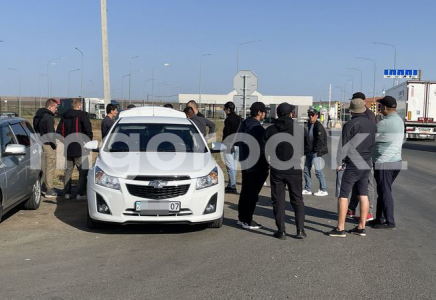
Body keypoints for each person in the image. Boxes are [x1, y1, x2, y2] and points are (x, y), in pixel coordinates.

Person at [328, 98, 376, 237]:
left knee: (343, 195)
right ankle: (361, 227)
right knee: (363, 194)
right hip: (366, 162)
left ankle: (340, 228)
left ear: (352, 111)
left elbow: (343, 145)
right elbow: (374, 144)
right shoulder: (372, 125)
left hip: (353, 164)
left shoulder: (350, 124)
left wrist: (339, 162)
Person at [263, 103, 306, 240]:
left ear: (277, 113)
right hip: (294, 168)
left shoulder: (270, 130)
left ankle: (281, 231)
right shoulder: (299, 129)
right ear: (291, 114)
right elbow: (309, 146)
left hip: (277, 169)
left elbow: (264, 149)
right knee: (297, 199)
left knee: (278, 200)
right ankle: (300, 230)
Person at [369, 96, 404, 229]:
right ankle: (380, 218)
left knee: (384, 192)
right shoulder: (398, 120)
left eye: (380, 105)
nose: (378, 107)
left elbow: (369, 135)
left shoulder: (384, 123)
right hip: (395, 161)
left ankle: (389, 221)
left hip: (385, 162)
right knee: (383, 190)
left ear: (384, 107)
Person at [236, 102, 269, 230]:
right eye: (264, 112)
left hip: (245, 163)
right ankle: (248, 220)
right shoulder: (258, 129)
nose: (265, 114)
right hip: (255, 165)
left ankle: (242, 218)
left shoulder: (244, 124)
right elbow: (261, 149)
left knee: (245, 191)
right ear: (259, 113)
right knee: (252, 194)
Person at [347, 92, 377, 222]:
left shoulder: (369, 116)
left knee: (367, 185)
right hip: (362, 156)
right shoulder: (367, 115)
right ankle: (352, 208)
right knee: (357, 184)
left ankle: (368, 212)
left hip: (364, 156)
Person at [56, 98, 93, 200]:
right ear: (79, 106)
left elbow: (58, 132)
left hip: (68, 147)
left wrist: (65, 141)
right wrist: (88, 142)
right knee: (82, 171)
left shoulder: (64, 116)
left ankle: (67, 193)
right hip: (80, 148)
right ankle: (80, 194)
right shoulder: (82, 116)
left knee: (68, 171)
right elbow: (88, 130)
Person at [33, 98, 59, 198]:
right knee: (50, 166)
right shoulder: (49, 117)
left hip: (40, 143)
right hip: (48, 144)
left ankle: (42, 187)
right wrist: (54, 145)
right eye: (55, 107)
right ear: (50, 106)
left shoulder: (38, 116)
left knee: (43, 166)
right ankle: (49, 189)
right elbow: (51, 133)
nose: (55, 110)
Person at [303, 108, 328, 196]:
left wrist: (316, 151)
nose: (310, 117)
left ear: (316, 116)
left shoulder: (318, 126)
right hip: (309, 152)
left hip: (316, 152)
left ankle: (323, 189)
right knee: (306, 170)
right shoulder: (309, 124)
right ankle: (307, 188)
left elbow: (320, 141)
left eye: (312, 115)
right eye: (309, 115)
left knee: (318, 171)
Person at [222, 101, 242, 194]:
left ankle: (232, 186)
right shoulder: (239, 118)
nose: (224, 111)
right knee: (233, 166)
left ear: (228, 109)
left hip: (229, 145)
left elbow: (226, 133)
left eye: (224, 109)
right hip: (238, 145)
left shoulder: (228, 120)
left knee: (230, 167)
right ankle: (230, 185)